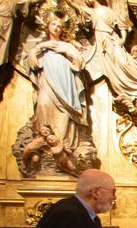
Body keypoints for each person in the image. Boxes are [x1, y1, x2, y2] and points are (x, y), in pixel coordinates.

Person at [28, 16, 89, 151]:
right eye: (53, 24)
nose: (56, 27)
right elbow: (32, 63)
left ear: (62, 30)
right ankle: (43, 143)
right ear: (48, 26)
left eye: (59, 26)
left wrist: (66, 51)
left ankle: (62, 143)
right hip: (47, 82)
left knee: (64, 111)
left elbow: (80, 63)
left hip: (65, 83)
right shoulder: (42, 47)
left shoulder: (67, 46)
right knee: (43, 104)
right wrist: (41, 47)